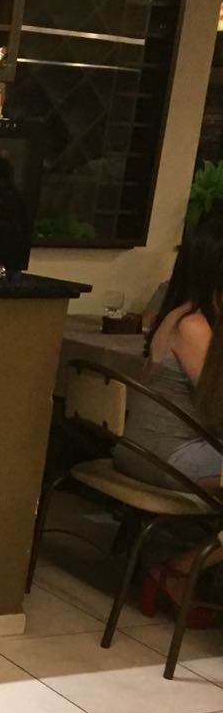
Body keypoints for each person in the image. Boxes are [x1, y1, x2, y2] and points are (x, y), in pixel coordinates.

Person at [112, 211, 223, 614]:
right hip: (164, 453)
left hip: (149, 447)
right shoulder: (195, 325)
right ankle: (178, 570)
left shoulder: (184, 312)